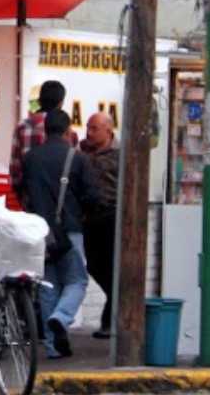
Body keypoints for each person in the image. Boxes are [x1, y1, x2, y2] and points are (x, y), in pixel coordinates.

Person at [20, 109, 98, 359]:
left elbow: (22, 189)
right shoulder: (77, 159)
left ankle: (54, 347)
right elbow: (92, 197)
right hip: (69, 229)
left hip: (39, 233)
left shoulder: (30, 157)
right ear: (67, 131)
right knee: (77, 280)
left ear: (45, 130)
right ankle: (61, 317)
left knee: (48, 287)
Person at [80, 111, 119, 340]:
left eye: (95, 128)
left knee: (111, 266)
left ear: (108, 130)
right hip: (89, 216)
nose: (90, 133)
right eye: (88, 128)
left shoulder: (119, 153)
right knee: (94, 265)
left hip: (111, 214)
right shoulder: (83, 150)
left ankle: (109, 319)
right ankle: (115, 303)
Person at [9, 80, 67, 195]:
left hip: (30, 195)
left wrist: (23, 195)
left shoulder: (22, 127)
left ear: (40, 100)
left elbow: (15, 170)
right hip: (58, 198)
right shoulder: (68, 130)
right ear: (61, 103)